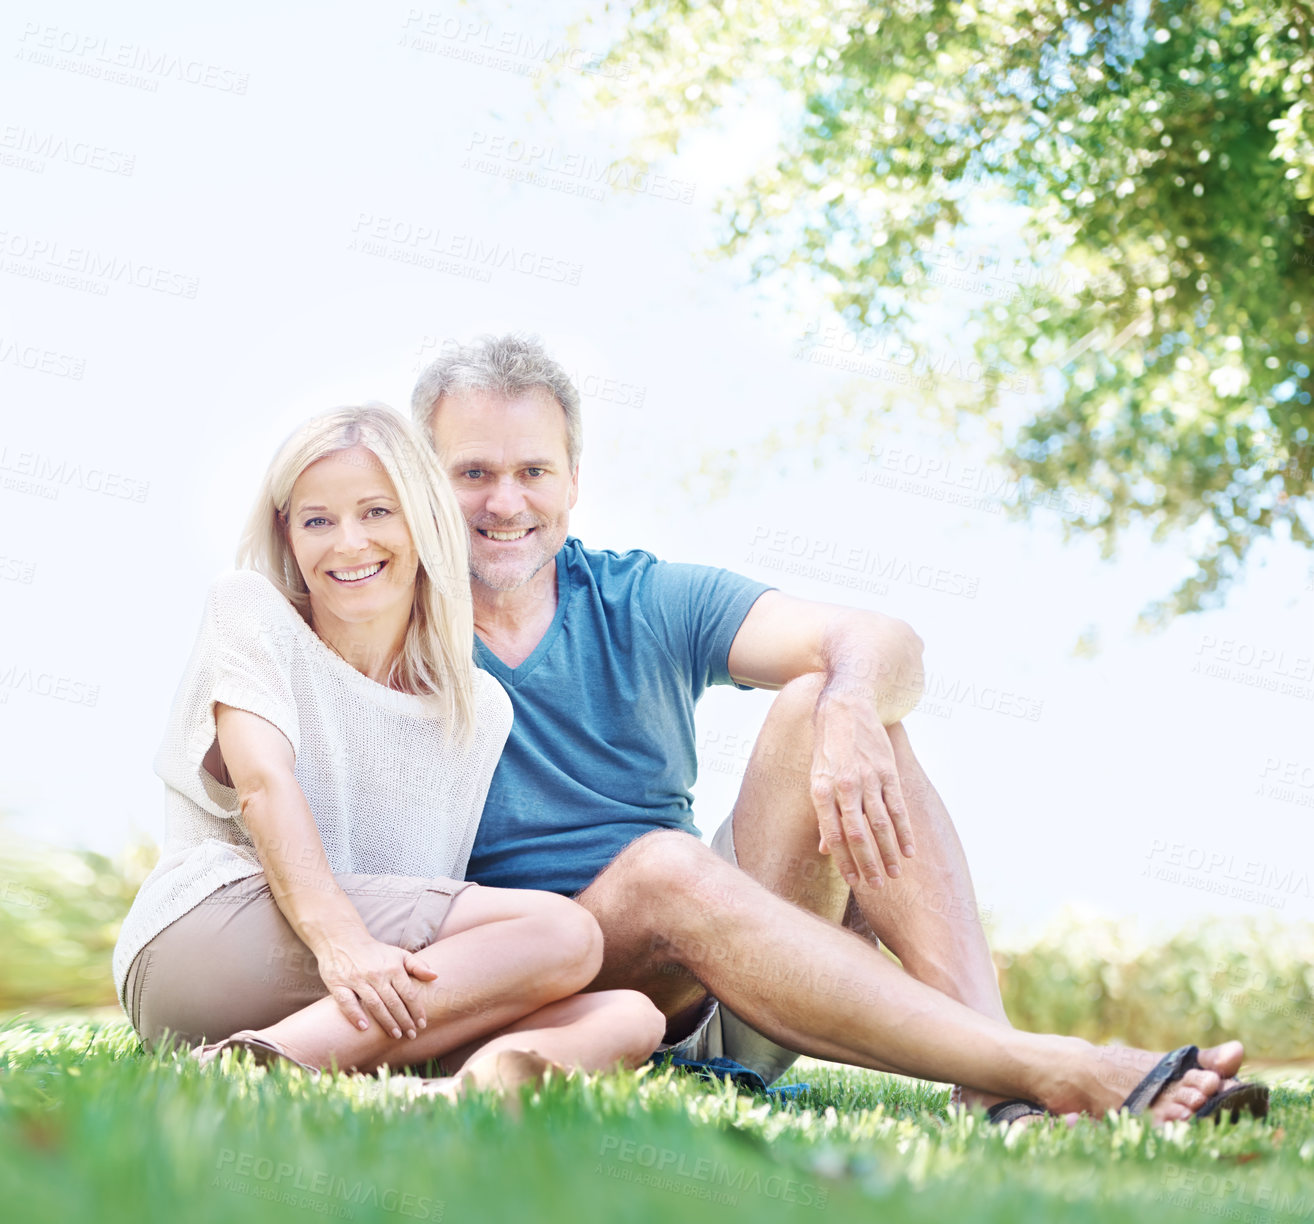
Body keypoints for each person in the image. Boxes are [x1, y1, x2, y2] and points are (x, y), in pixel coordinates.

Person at [408, 334, 1267, 1126]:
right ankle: (1053, 1068)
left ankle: (994, 1075)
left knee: (830, 700)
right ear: (419, 477)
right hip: (560, 996)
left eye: (533, 470)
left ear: (572, 482)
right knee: (664, 868)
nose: (506, 501)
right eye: (473, 472)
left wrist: (852, 708)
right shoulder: (379, 620)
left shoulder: (638, 597)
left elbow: (883, 641)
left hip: (742, 985)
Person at [112, 402, 664, 1095]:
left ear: (424, 522)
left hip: (342, 987)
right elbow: (262, 785)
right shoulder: (251, 611)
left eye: (377, 512)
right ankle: (241, 1071)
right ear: (289, 534)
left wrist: (399, 968)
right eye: (318, 520)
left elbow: (425, 882)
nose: (348, 544)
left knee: (627, 1015)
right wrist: (342, 942)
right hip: (208, 939)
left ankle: (445, 1095)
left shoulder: (476, 708)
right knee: (568, 936)